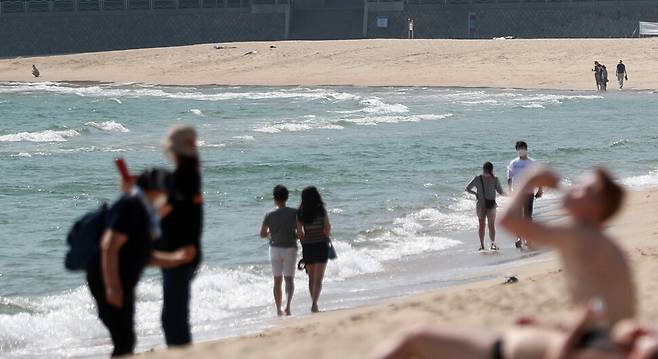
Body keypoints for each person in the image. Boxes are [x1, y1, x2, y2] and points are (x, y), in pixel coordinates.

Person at [500, 167, 635, 324]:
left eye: (582, 189)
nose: (572, 189)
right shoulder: (597, 238)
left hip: (602, 338)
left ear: (596, 207)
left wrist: (529, 180)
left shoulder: (580, 235)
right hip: (608, 333)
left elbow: (507, 221)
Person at [87, 169, 196, 356]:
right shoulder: (130, 206)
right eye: (165, 192)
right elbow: (109, 246)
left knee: (125, 340)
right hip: (106, 279)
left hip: (121, 281)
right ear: (154, 190)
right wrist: (113, 287)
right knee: (124, 340)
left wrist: (175, 259)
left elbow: (142, 256)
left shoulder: (144, 213)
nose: (167, 197)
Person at [376, 305, 658, 359]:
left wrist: (578, 324)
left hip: (497, 354)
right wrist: (542, 326)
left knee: (414, 338)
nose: (646, 334)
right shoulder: (615, 345)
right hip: (502, 345)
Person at [157, 125, 203, 347]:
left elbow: (167, 208)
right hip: (185, 250)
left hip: (180, 252)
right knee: (175, 315)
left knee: (172, 318)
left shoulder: (183, 177)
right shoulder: (191, 174)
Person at [260, 184, 299, 316]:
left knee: (277, 280)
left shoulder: (269, 214)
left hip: (275, 249)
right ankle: (287, 307)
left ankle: (278, 309)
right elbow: (300, 233)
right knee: (289, 279)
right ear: (287, 197)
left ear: (274, 198)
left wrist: (272, 232)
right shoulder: (294, 213)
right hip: (290, 248)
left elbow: (262, 234)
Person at [296, 186, 331, 313]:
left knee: (311, 278)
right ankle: (315, 303)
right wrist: (324, 236)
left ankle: (313, 302)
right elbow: (327, 228)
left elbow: (299, 233)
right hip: (321, 245)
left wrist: (304, 242)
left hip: (308, 247)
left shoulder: (300, 212)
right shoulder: (322, 211)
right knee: (319, 278)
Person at [506, 141, 542, 249]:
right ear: (517, 150)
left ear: (526, 149)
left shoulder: (532, 162)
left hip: (529, 192)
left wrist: (540, 189)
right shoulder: (513, 163)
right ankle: (519, 238)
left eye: (523, 148)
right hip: (517, 193)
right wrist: (509, 190)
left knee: (527, 217)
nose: (521, 150)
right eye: (519, 148)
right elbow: (509, 177)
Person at [465, 162, 506, 251]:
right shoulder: (495, 179)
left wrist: (475, 193)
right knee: (491, 225)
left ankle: (482, 245)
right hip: (491, 204)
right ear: (492, 169)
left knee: (482, 225)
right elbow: (501, 192)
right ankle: (492, 244)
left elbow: (467, 188)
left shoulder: (477, 178)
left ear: (483, 169)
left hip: (481, 204)